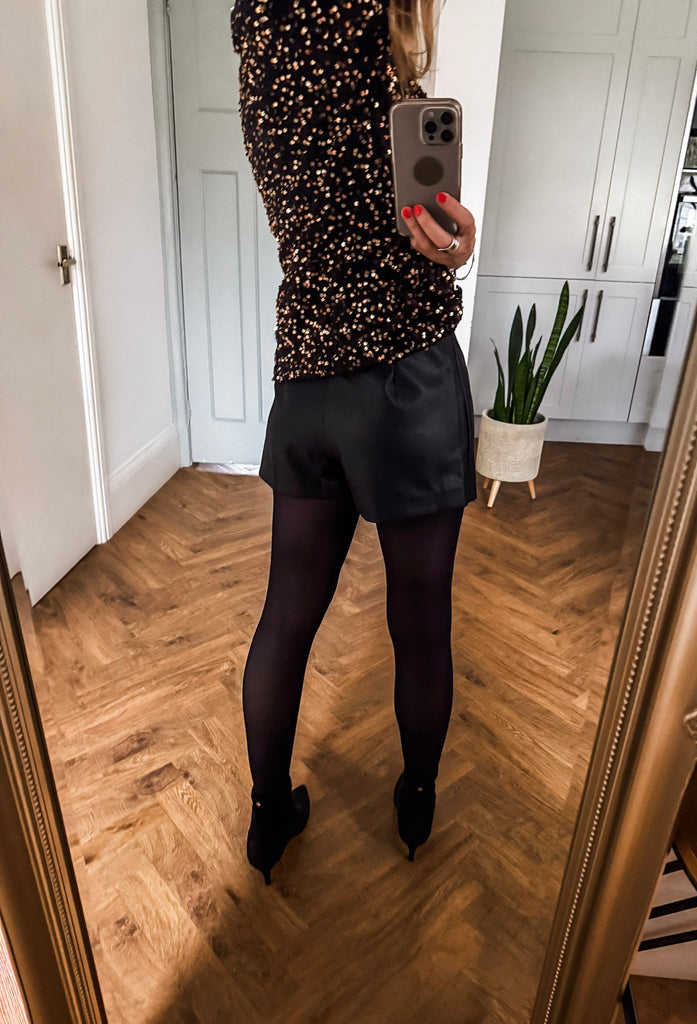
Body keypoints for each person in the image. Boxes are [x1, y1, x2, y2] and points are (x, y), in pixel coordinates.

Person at [231, 0, 477, 885]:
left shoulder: (258, 33)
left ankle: (268, 819)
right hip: (407, 382)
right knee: (420, 621)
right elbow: (423, 239)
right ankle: (416, 802)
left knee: (285, 617)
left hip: (305, 384)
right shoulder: (379, 45)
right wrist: (456, 248)